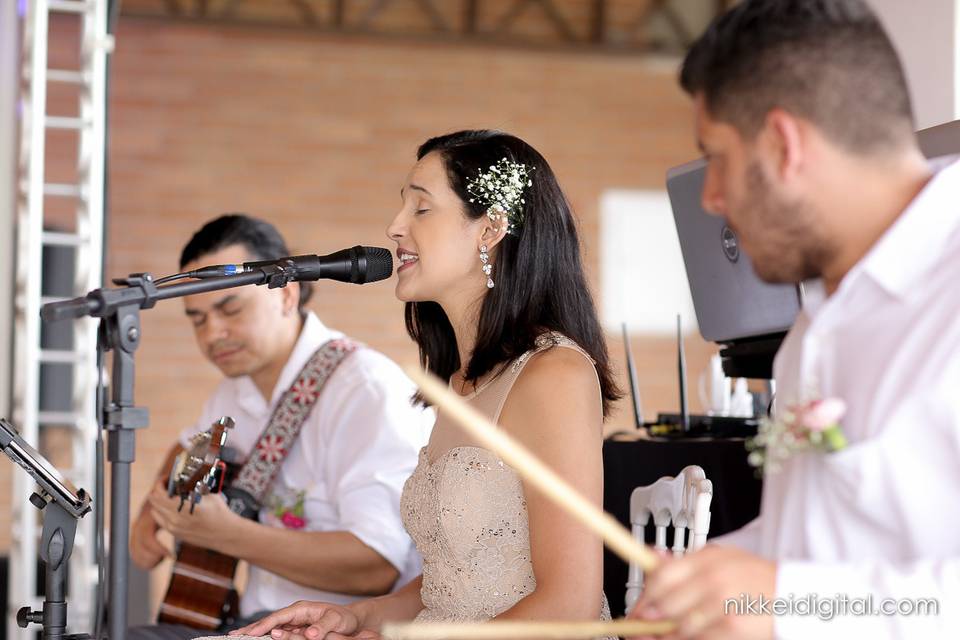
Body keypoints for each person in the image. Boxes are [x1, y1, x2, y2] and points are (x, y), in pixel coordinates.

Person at [628, 1, 960, 638]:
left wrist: (787, 602)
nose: (711, 199)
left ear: (784, 144)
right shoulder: (813, 324)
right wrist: (723, 569)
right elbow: (823, 539)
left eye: (717, 158)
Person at [231, 130, 623, 640]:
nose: (394, 228)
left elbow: (568, 603)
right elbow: (457, 581)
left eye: (421, 209)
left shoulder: (554, 374)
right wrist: (356, 616)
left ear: (491, 228)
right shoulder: (458, 384)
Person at [129, 214, 433, 639]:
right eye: (197, 319)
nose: (214, 333)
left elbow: (378, 565)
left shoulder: (365, 390)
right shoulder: (233, 391)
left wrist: (231, 536)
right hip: (250, 624)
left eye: (230, 308)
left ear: (287, 294)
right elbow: (188, 447)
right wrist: (149, 514)